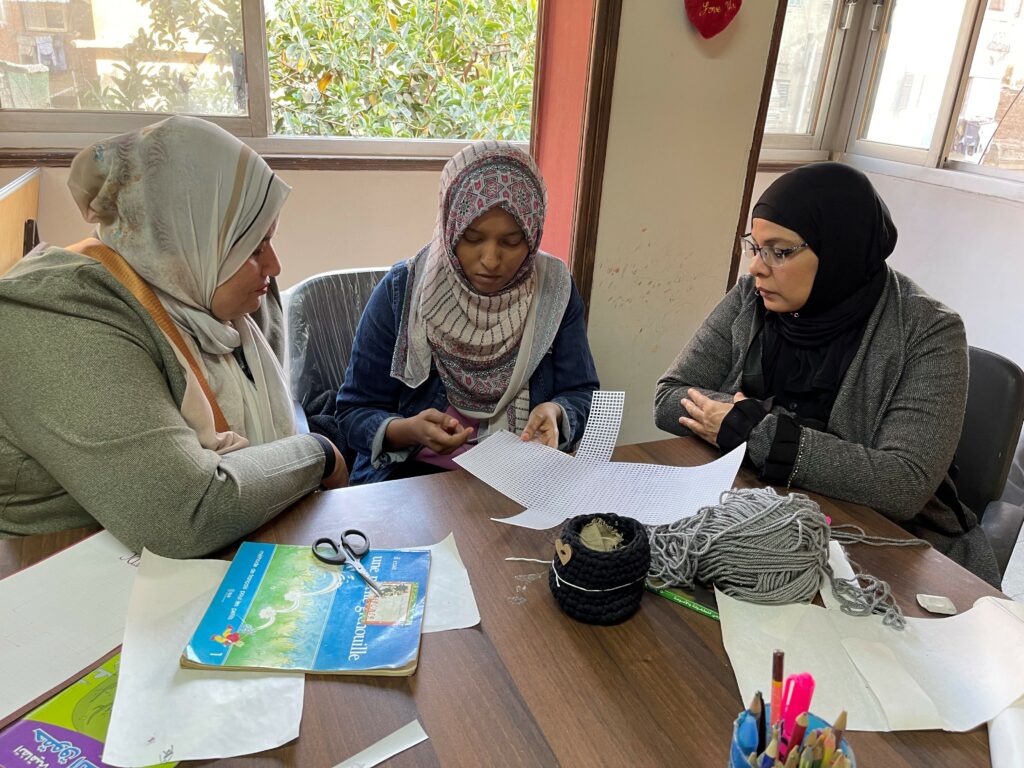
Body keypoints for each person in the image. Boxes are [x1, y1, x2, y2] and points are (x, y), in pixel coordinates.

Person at [0, 116, 347, 558]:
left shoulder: (211, 299)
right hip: (60, 572)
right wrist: (318, 453)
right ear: (186, 241)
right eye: (253, 247)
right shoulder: (60, 318)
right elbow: (184, 515)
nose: (275, 266)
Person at [654, 162, 999, 585]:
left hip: (894, 552)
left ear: (839, 248)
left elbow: (902, 485)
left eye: (779, 252)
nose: (756, 269)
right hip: (766, 517)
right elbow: (669, 398)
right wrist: (760, 431)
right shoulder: (752, 297)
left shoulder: (927, 330)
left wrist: (754, 430)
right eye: (754, 247)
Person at [336, 141, 599, 484]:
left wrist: (557, 413)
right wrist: (407, 431)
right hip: (411, 479)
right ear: (449, 229)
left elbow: (582, 392)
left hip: (519, 479)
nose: (490, 260)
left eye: (511, 241)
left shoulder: (553, 290)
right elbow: (352, 412)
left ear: (533, 237)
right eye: (472, 238)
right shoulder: (403, 291)